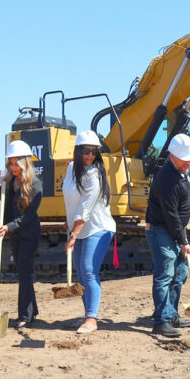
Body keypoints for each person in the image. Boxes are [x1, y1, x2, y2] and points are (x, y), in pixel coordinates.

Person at [62, 130, 117, 334]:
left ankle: (92, 319)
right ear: (78, 151)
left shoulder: (95, 175)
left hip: (97, 228)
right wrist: (67, 223)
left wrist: (73, 235)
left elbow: (85, 208)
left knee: (88, 270)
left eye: (94, 151)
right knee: (81, 274)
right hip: (78, 226)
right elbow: (69, 198)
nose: (90, 155)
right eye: (86, 150)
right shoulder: (70, 169)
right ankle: (87, 315)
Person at [146, 134, 190, 338]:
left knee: (180, 273)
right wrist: (183, 241)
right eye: (185, 158)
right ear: (172, 156)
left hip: (174, 229)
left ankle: (171, 313)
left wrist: (181, 237)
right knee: (165, 274)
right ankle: (161, 321)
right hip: (161, 230)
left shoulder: (182, 171)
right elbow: (171, 214)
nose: (189, 162)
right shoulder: (168, 178)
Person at [0, 140, 43, 329]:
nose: (13, 167)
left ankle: (25, 316)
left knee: (24, 273)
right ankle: (31, 311)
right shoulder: (9, 181)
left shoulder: (35, 184)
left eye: (16, 164)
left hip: (29, 233)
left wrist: (9, 226)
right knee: (23, 273)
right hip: (15, 234)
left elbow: (29, 216)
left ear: (25, 162)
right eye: (11, 164)